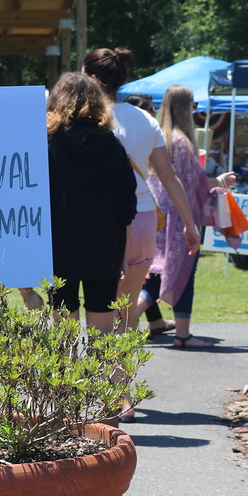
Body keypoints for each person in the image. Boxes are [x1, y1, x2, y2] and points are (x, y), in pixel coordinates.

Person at [81, 48, 201, 335]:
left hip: (97, 221)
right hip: (143, 218)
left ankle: (93, 376)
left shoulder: (85, 120)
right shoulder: (145, 119)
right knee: (126, 312)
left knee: (98, 309)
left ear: (93, 79)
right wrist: (189, 223)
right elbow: (169, 176)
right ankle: (117, 378)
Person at [134, 85, 235, 348]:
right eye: (193, 105)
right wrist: (220, 183)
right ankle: (174, 331)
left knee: (156, 273)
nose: (195, 110)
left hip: (156, 214)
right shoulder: (181, 141)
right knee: (179, 273)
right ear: (184, 107)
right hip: (180, 217)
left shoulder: (156, 137)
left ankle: (175, 330)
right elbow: (193, 183)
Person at [46, 72, 136, 334]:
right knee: (103, 337)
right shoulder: (114, 147)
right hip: (104, 249)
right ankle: (103, 378)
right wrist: (125, 255)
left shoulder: (47, 146)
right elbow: (128, 205)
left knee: (64, 341)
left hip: (58, 250)